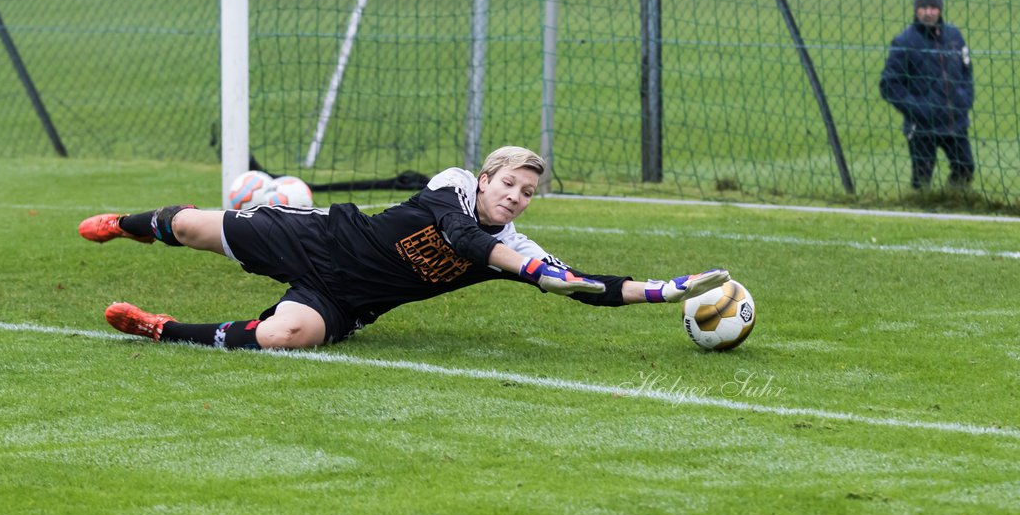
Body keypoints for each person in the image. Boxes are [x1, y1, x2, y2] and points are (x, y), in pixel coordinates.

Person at [78, 146, 728, 350]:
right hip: (318, 237)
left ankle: (161, 330)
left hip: (346, 298)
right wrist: (529, 268)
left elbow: (592, 286)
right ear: (484, 178)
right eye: (508, 184)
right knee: (191, 225)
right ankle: (123, 222)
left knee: (284, 338)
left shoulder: (517, 242)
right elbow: (464, 238)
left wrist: (667, 290)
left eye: (527, 193)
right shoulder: (450, 189)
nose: (516, 197)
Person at [879, 0, 975, 189]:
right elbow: (888, 84)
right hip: (922, 127)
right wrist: (918, 108)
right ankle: (922, 210)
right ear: (916, 9)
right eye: (923, 7)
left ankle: (952, 202)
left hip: (955, 122)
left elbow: (967, 70)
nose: (928, 13)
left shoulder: (954, 36)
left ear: (940, 9)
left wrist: (964, 99)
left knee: (966, 168)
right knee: (921, 181)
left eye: (933, 7)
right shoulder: (904, 42)